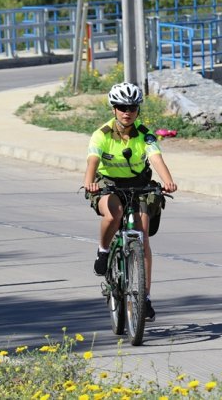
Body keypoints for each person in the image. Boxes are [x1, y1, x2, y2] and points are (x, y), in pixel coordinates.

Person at [83, 82, 177, 321]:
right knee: (114, 214)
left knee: (142, 236)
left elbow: (156, 159)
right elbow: (92, 162)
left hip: (138, 184)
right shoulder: (101, 134)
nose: (127, 112)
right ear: (114, 109)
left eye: (132, 107)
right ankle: (104, 251)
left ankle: (144, 298)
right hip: (107, 183)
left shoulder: (145, 134)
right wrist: (89, 181)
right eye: (122, 107)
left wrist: (168, 180)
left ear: (138, 110)